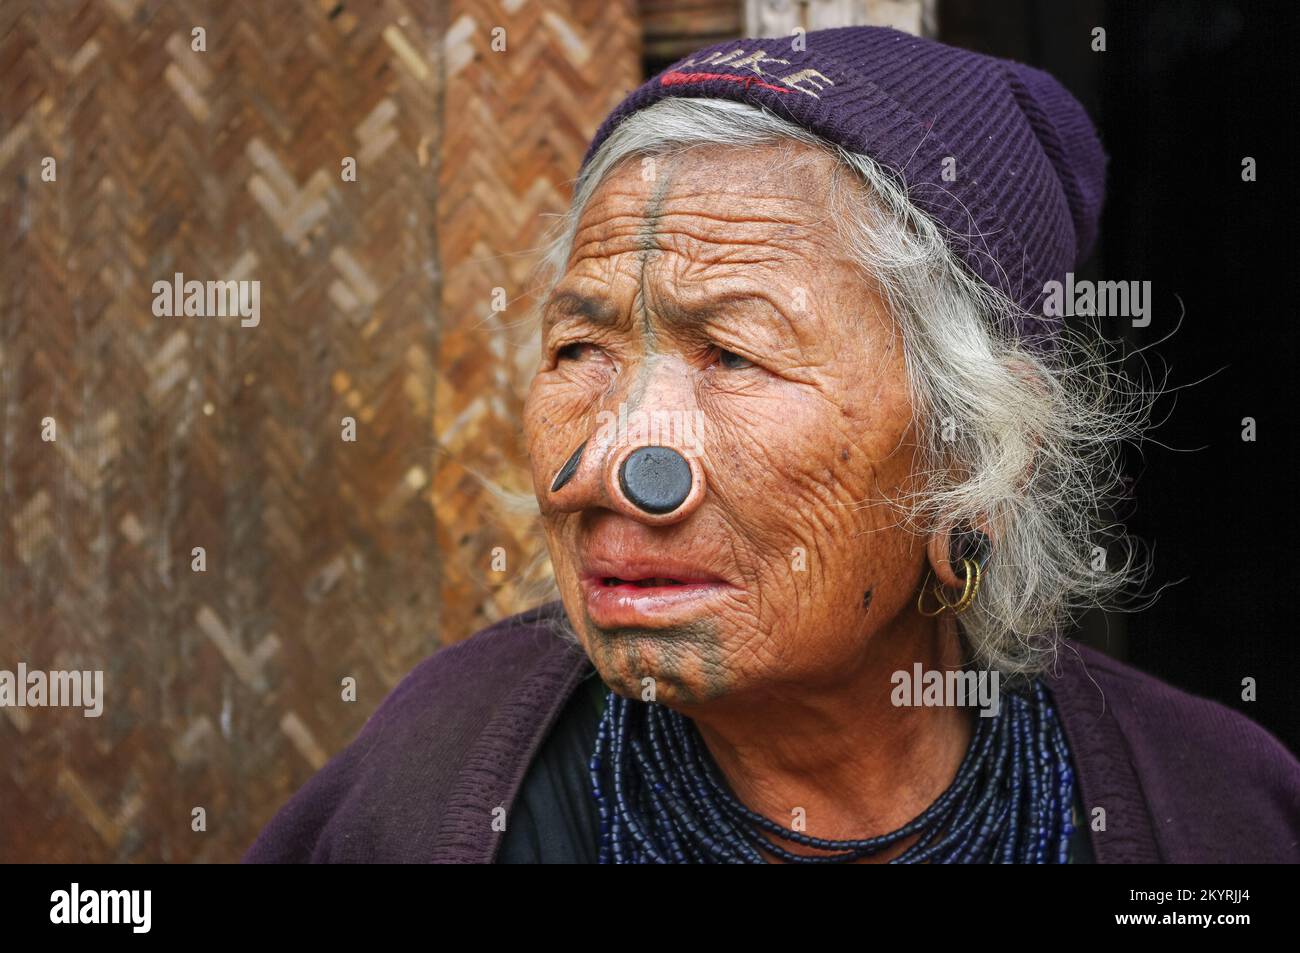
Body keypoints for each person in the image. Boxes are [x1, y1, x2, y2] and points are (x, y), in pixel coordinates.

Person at [244, 25, 1300, 864]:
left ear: (976, 456)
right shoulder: (437, 784)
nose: (612, 467)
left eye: (733, 356)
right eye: (579, 348)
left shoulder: (1211, 810)